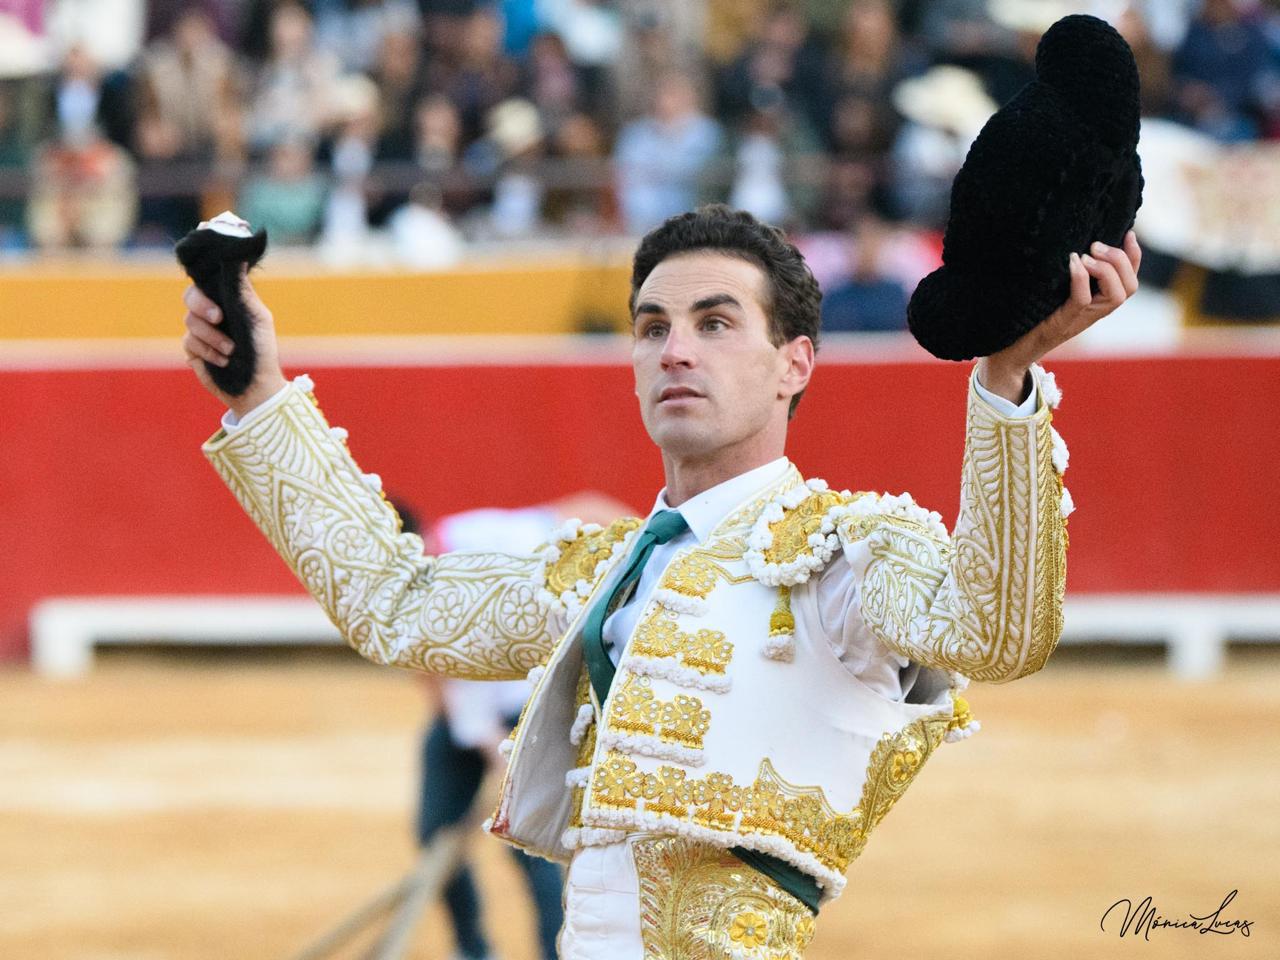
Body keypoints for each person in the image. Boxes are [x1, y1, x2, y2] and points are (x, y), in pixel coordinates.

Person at [181, 203, 1141, 958]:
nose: (674, 348)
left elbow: (999, 632)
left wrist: (1007, 376)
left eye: (715, 323)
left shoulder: (841, 551)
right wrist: (260, 395)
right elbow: (394, 602)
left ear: (792, 363)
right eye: (652, 327)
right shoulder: (600, 571)